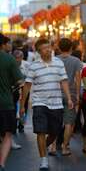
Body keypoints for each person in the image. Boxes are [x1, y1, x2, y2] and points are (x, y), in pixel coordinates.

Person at [20, 38, 74, 170]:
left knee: (55, 132)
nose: (48, 49)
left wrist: (69, 98)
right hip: (40, 103)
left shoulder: (59, 63)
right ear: (39, 51)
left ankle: (45, 146)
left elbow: (64, 81)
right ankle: (43, 159)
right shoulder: (34, 66)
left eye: (49, 47)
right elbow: (27, 86)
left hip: (56, 103)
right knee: (41, 131)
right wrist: (22, 106)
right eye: (45, 48)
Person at [0, 34, 24, 171]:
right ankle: (1, 164)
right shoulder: (9, 59)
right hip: (5, 102)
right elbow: (20, 81)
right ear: (2, 45)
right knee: (8, 134)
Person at [56, 38, 82, 156]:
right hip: (70, 95)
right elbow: (78, 79)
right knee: (68, 123)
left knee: (56, 122)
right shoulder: (76, 61)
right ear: (71, 48)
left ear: (59, 48)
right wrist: (77, 95)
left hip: (56, 95)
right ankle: (65, 147)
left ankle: (52, 146)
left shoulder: (55, 60)